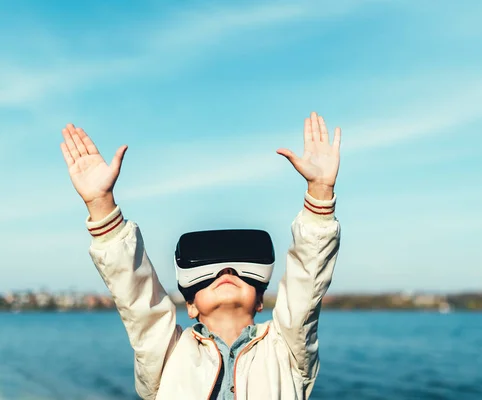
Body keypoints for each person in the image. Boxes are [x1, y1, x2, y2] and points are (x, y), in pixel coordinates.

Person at [59, 112, 342, 400]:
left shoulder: (287, 350)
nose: (226, 271)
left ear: (259, 302)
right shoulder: (169, 354)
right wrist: (100, 203)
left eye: (236, 269)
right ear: (191, 306)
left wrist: (320, 191)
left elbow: (306, 286)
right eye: (212, 273)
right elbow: (136, 299)